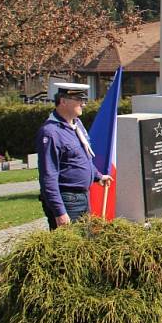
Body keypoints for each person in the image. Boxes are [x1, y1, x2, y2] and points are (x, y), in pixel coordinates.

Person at [37, 83, 112, 230]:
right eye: (79, 99)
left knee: (84, 243)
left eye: (84, 99)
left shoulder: (76, 124)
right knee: (69, 248)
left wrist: (98, 176)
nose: (83, 103)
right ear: (63, 101)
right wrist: (60, 212)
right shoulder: (51, 132)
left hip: (82, 196)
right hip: (67, 200)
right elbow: (48, 175)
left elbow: (82, 156)